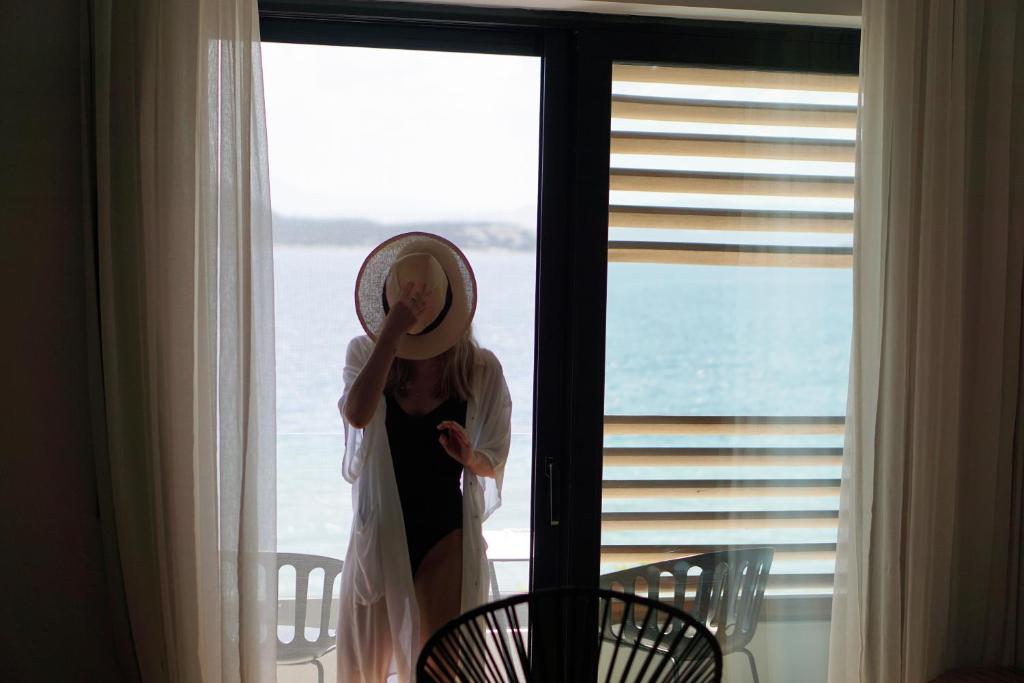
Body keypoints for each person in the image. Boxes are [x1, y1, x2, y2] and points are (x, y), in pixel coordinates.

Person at [334, 232, 512, 682]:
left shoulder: (479, 369)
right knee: (365, 669)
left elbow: (494, 461)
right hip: (379, 530)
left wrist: (470, 456)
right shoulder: (365, 353)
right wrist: (391, 333)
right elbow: (356, 415)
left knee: (441, 669)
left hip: (445, 533)